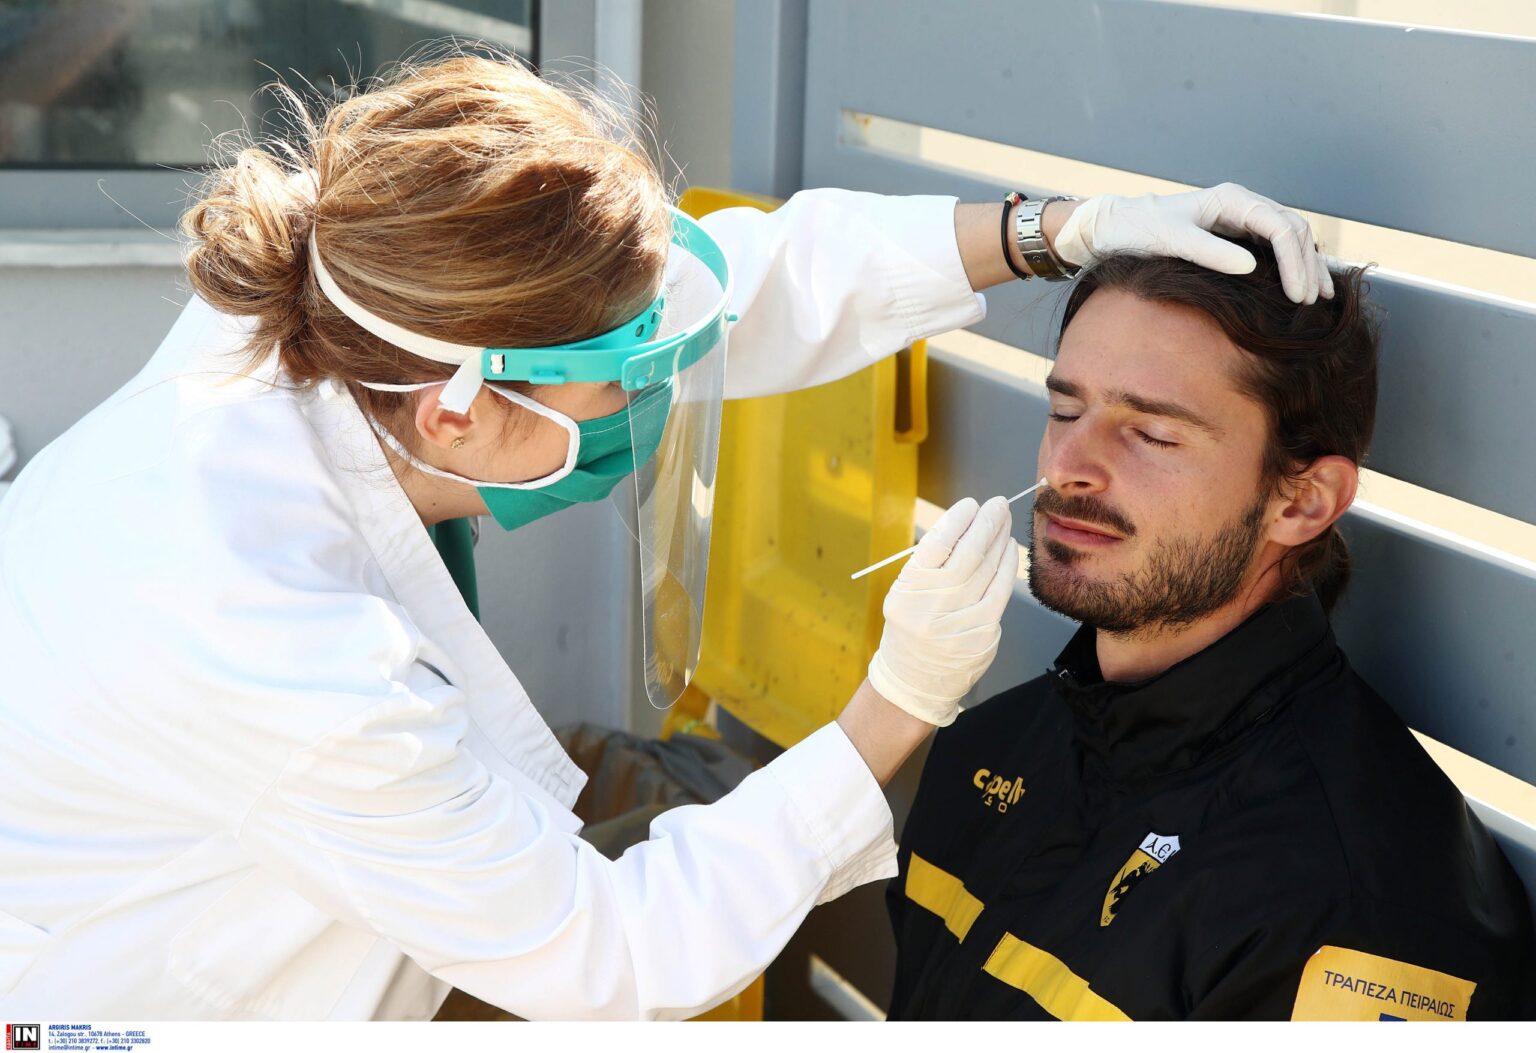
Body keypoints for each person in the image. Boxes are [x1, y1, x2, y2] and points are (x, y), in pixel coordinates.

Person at [0, 50, 1332, 1021]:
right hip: (139, 999)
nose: (651, 400)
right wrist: (896, 702)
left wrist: (1051, 233)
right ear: (463, 408)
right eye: (619, 384)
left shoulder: (345, 296)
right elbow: (612, 959)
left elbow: (714, 295)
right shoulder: (266, 636)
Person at [886, 241, 1536, 1021]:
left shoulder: (1353, 912)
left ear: (1302, 500)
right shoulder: (984, 746)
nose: (1067, 465)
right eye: (1065, 410)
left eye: (1153, 434)